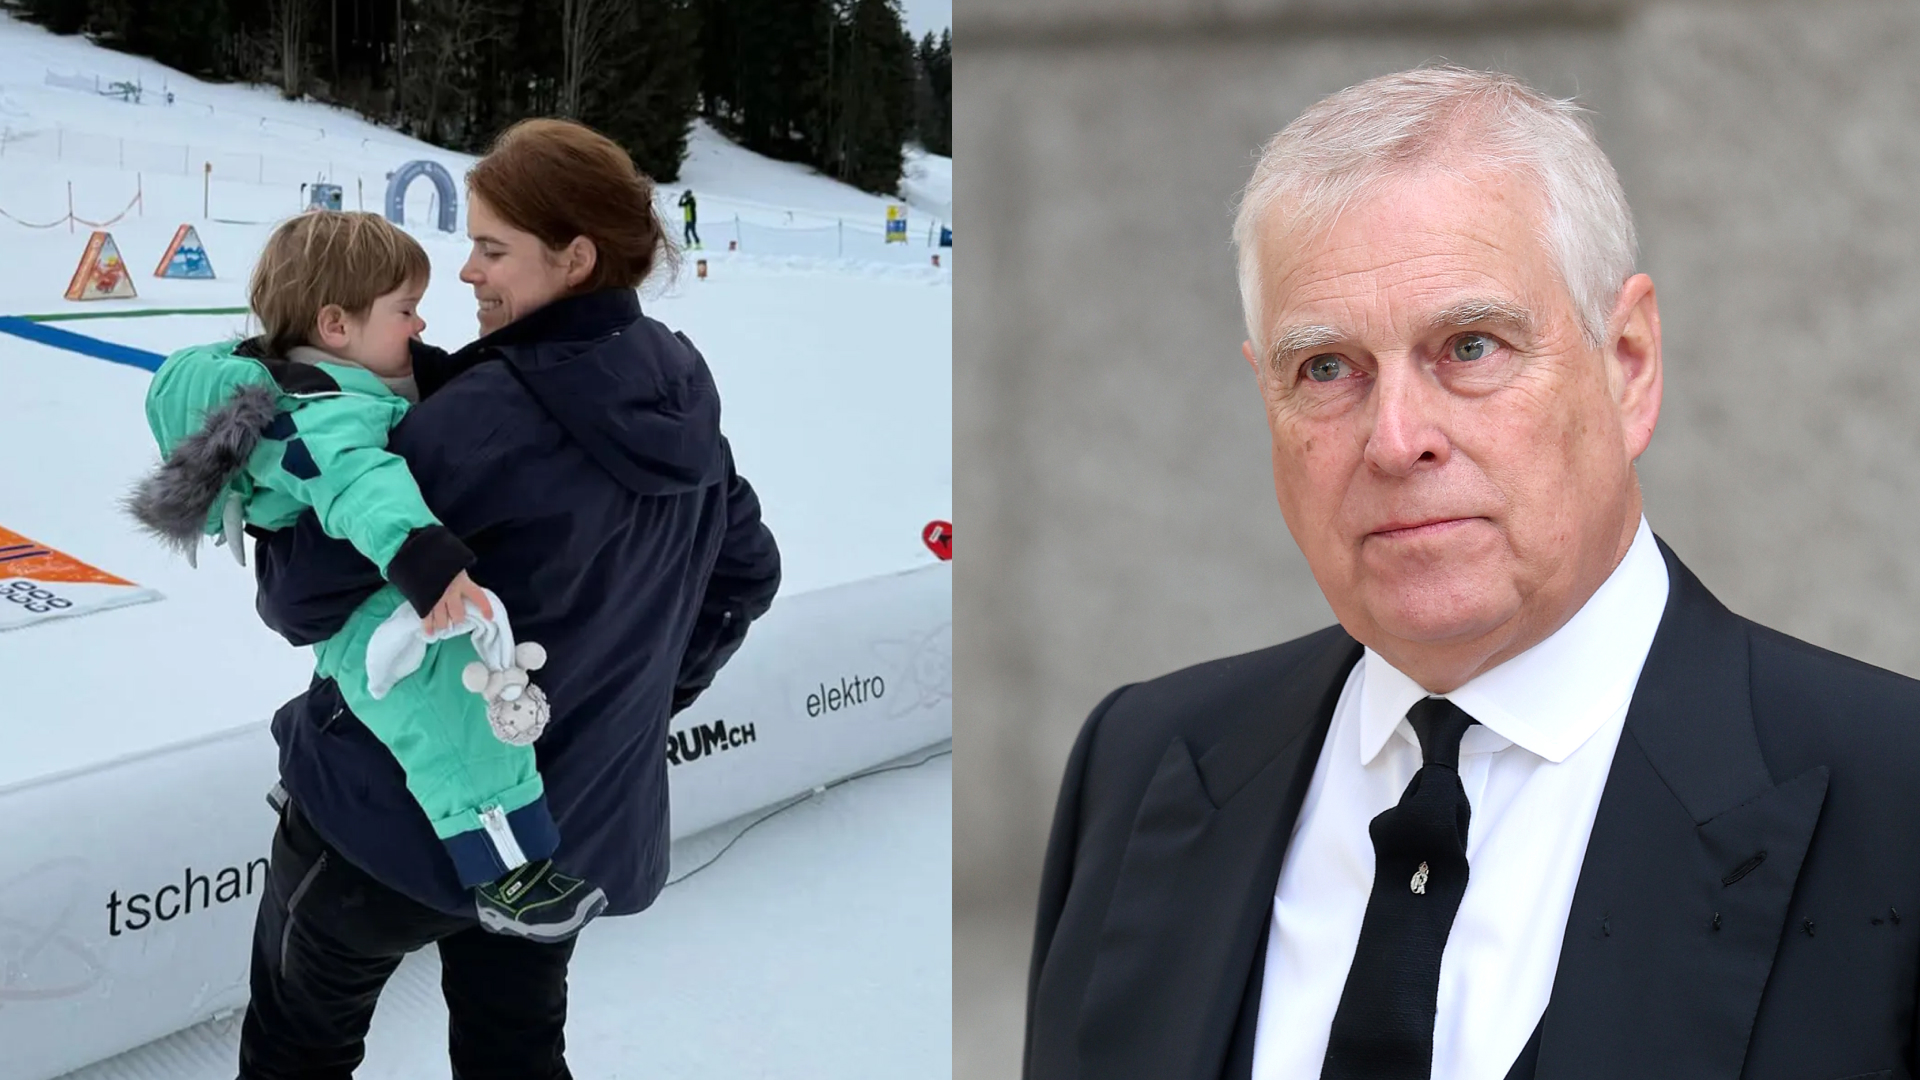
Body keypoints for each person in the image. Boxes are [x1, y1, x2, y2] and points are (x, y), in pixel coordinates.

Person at [1025, 65, 1920, 1080]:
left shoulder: (1895, 802)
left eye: (1470, 346)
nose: (1395, 439)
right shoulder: (1141, 764)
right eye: (1327, 368)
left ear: (1628, 364)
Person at [236, 119, 781, 1079]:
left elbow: (299, 600)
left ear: (575, 258)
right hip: (559, 832)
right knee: (515, 1055)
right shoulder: (679, 388)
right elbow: (745, 574)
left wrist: (284, 499)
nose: (467, 272)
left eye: (492, 249)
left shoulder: (481, 419)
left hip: (389, 822)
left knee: (296, 1052)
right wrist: (617, 709)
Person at [128, 210, 608, 944]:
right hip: (377, 598)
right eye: (405, 310)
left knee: (398, 703)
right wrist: (427, 562)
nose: (420, 326)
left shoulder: (325, 377)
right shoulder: (319, 414)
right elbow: (361, 484)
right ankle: (507, 868)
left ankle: (311, 789)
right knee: (454, 717)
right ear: (335, 325)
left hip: (353, 589)